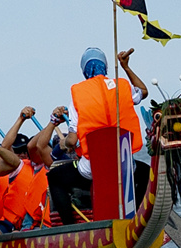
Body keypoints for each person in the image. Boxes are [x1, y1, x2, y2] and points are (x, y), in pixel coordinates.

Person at [48, 48, 150, 223]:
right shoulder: (122, 86)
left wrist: (65, 143)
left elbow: (72, 140)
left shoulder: (79, 94)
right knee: (146, 173)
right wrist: (126, 67)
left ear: (84, 70)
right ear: (106, 67)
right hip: (124, 165)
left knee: (54, 177)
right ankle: (137, 218)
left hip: (92, 169)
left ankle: (70, 227)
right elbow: (143, 91)